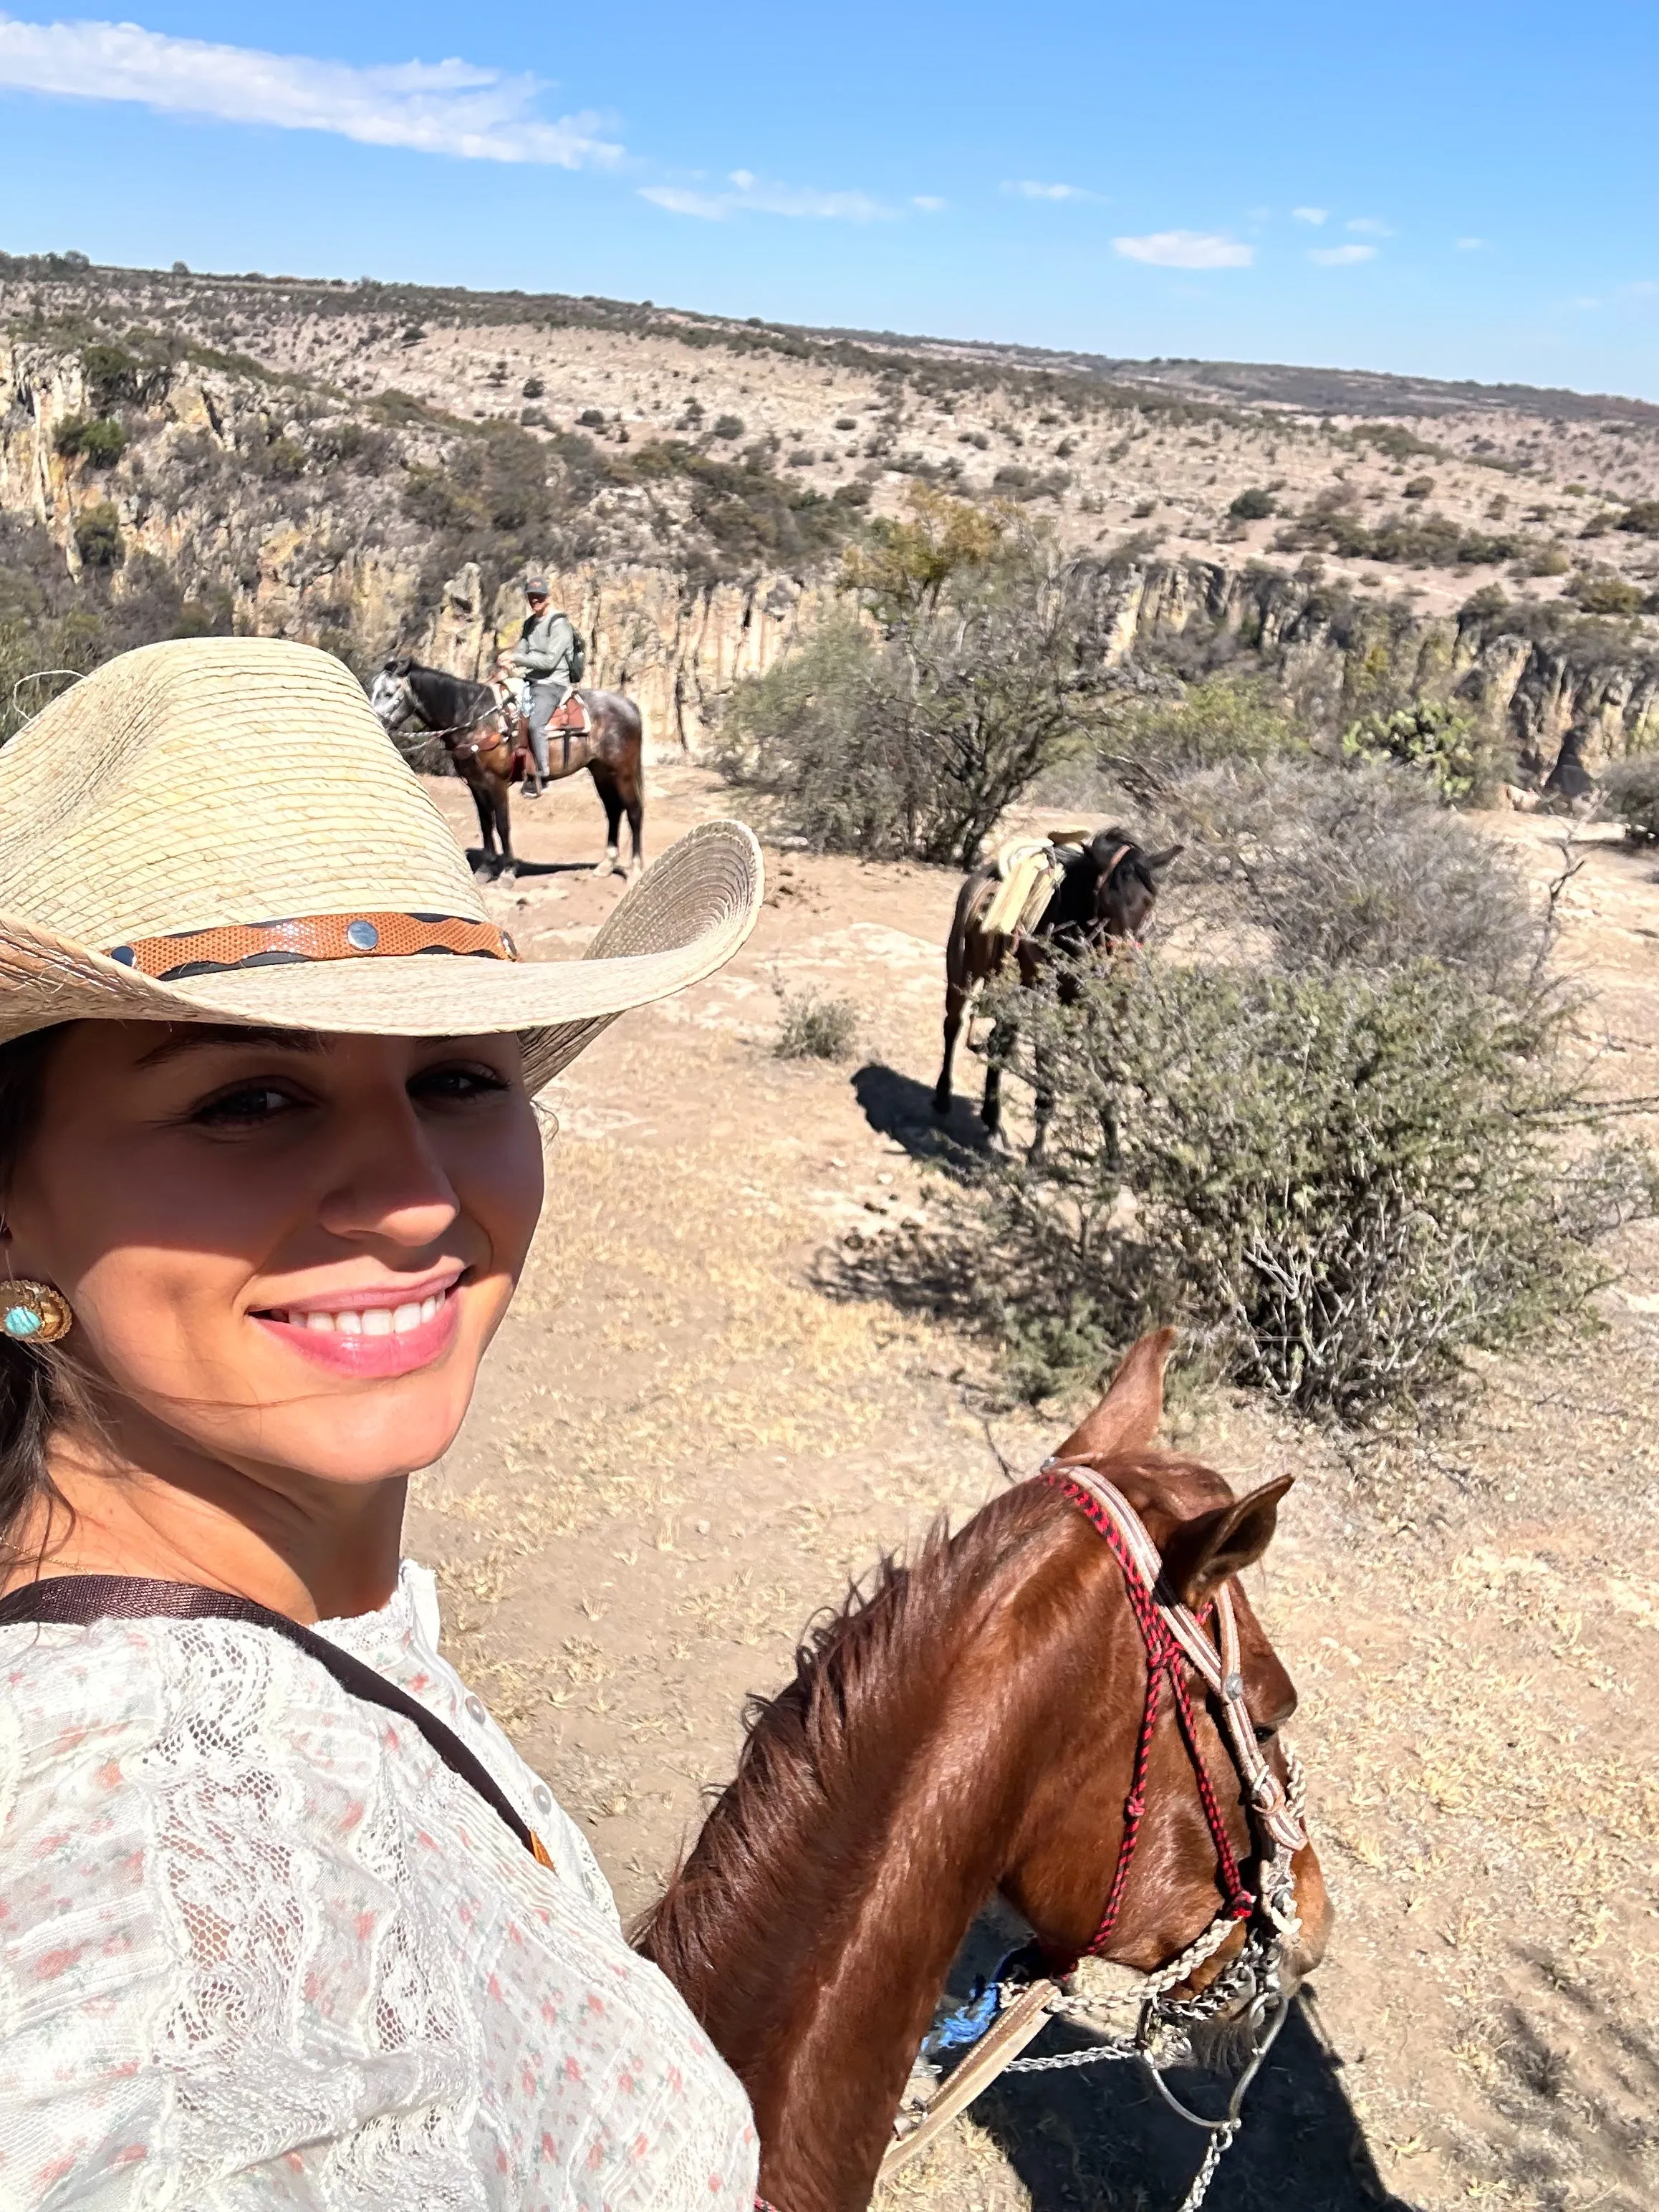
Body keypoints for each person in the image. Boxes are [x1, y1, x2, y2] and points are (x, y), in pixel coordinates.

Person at [0, 638, 764, 2208]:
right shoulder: (188, 1937)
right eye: (249, 1100)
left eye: (463, 1074)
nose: (421, 1196)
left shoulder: (283, 1597)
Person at [508, 577, 578, 799]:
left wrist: (517, 659)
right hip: (531, 680)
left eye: (539, 596)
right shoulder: (530, 624)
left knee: (536, 724)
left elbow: (549, 662)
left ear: (548, 598)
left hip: (552, 683)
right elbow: (522, 651)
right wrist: (508, 662)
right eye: (531, 596)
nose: (534, 600)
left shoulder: (559, 625)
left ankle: (543, 775)